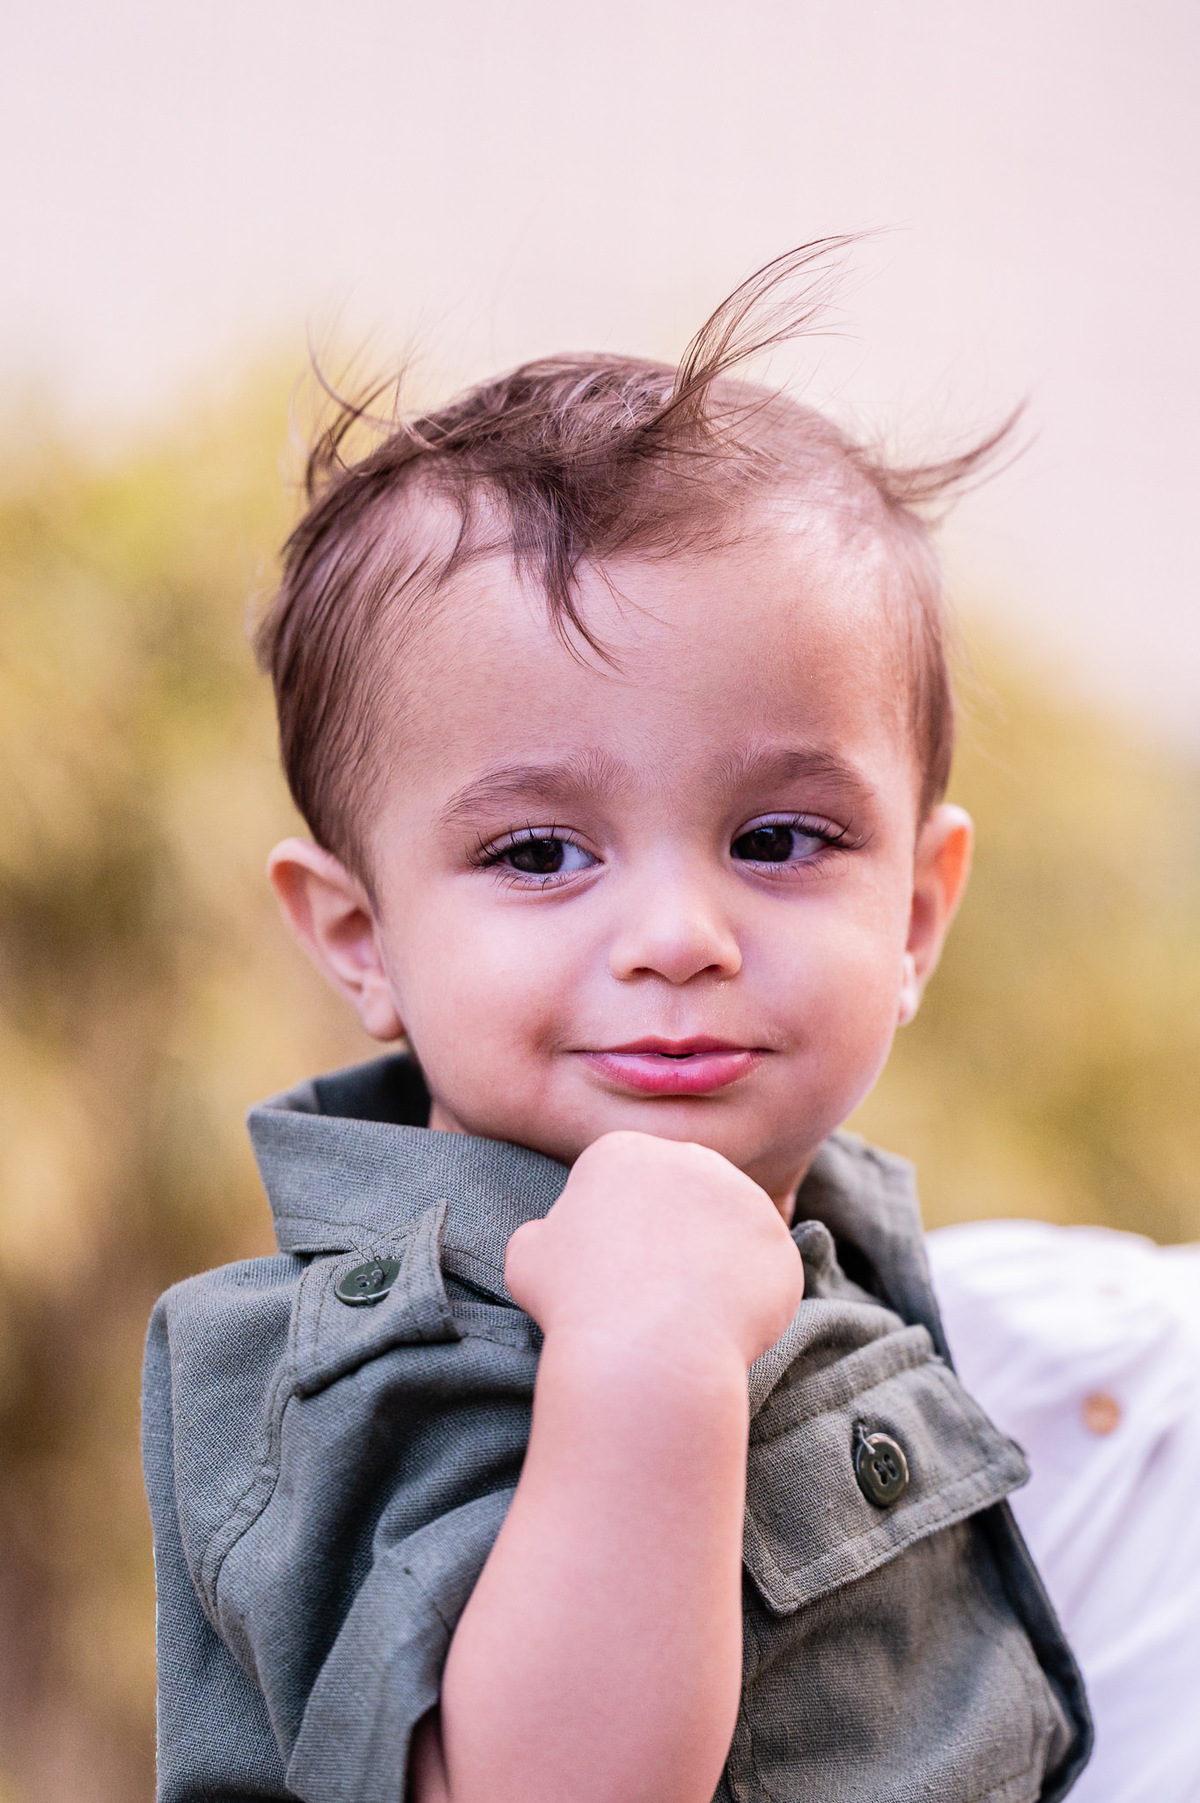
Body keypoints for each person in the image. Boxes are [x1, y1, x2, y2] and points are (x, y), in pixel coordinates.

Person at [141, 245, 1092, 1803]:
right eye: (538, 853)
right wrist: (644, 1360)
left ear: (916, 914)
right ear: (362, 938)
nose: (675, 938)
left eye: (782, 838)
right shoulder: (364, 1360)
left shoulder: (832, 1227)